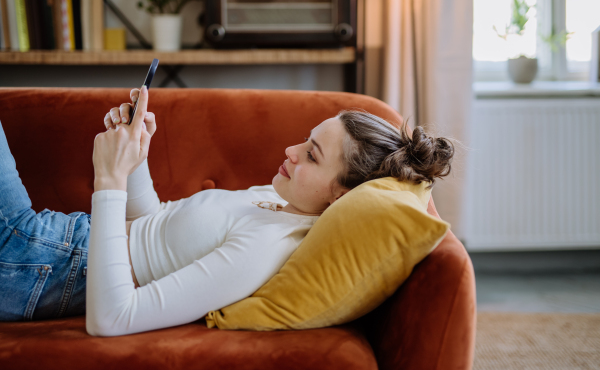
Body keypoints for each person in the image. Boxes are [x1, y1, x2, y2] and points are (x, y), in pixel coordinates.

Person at [0, 86, 454, 336]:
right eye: (305, 139)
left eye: (312, 155)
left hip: (38, 263)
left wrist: (109, 181)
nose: (291, 150)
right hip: (48, 241)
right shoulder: (282, 199)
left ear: (341, 195)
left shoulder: (266, 249)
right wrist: (136, 161)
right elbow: (151, 234)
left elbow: (112, 317)